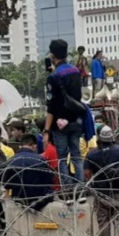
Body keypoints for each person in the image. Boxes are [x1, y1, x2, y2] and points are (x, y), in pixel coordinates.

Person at [84, 126, 119, 236]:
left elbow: (87, 173)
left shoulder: (92, 153)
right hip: (118, 190)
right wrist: (118, 175)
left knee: (103, 219)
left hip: (101, 191)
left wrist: (94, 183)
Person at [43, 39, 84, 187]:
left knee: (61, 157)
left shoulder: (53, 77)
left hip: (60, 124)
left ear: (52, 55)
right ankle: (80, 188)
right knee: (76, 156)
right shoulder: (76, 71)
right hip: (76, 120)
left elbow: (51, 106)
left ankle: (67, 188)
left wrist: (47, 131)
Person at [2, 134, 55, 212]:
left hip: (18, 197)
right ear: (34, 146)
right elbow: (49, 181)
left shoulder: (11, 160)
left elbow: (6, 183)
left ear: (20, 146)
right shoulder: (40, 159)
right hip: (38, 197)